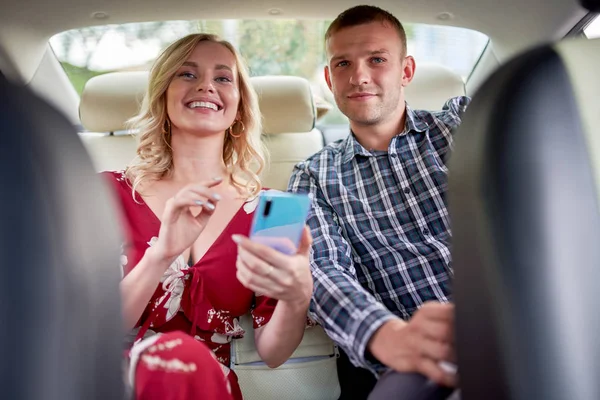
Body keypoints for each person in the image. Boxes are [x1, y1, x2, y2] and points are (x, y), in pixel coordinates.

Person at [103, 33, 314, 400]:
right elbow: (93, 326)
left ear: (239, 106)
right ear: (163, 96)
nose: (205, 85)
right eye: (187, 74)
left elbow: (273, 352)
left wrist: (297, 298)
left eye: (223, 77)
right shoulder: (107, 194)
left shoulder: (276, 212)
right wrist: (161, 254)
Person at [288, 5, 470, 399]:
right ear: (328, 78)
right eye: (342, 64)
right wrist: (388, 335)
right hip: (419, 356)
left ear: (406, 71)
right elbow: (320, 270)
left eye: (377, 60)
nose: (359, 76)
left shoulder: (463, 126)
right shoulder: (311, 177)